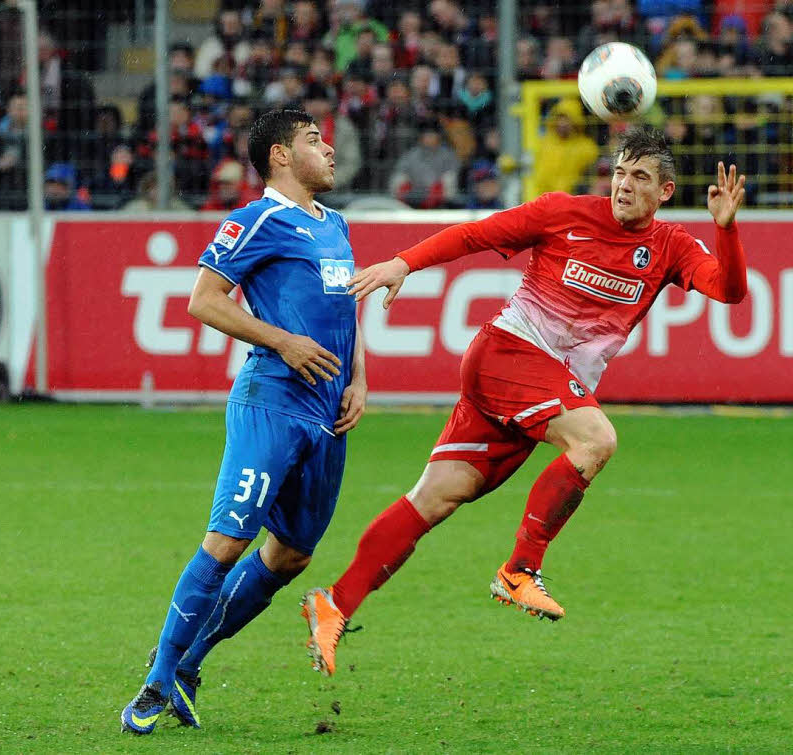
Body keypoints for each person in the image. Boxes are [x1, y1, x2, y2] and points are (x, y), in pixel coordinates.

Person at [300, 127, 748, 676]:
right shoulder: (562, 212)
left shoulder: (672, 247)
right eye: (619, 172)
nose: (624, 185)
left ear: (666, 192)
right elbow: (475, 233)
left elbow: (728, 290)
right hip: (509, 354)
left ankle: (335, 603)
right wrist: (403, 263)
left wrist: (726, 231)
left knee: (436, 497)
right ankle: (520, 570)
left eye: (640, 177)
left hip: (532, 384)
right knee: (596, 440)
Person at [120, 108, 367, 734]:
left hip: (327, 414)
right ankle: (154, 684)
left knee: (290, 556)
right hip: (272, 402)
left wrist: (359, 377)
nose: (330, 149)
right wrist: (281, 341)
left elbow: (344, 311)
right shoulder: (255, 219)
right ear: (281, 156)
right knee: (228, 541)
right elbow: (204, 300)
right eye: (315, 140)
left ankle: (186, 663)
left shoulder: (334, 225)